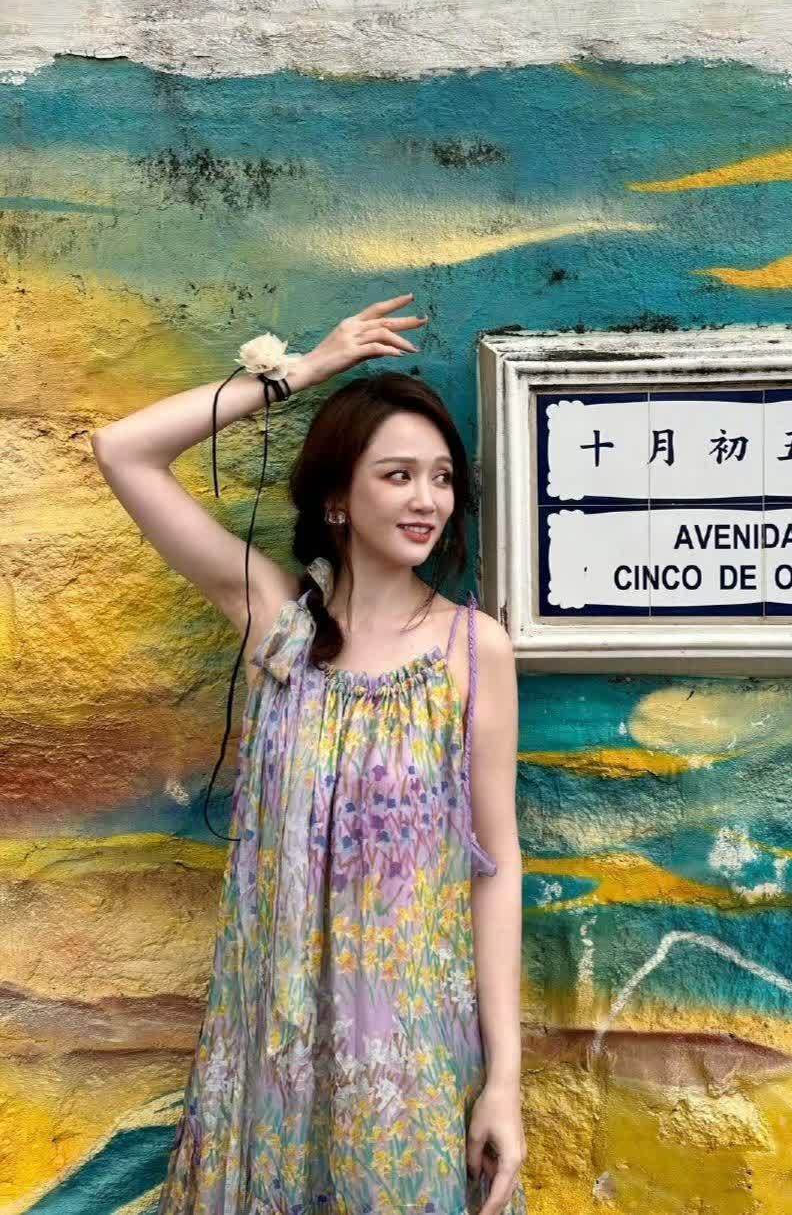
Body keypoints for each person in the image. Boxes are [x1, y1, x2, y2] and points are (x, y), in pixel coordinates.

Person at [91, 292, 528, 1215]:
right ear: (338, 497)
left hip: (407, 1063)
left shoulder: (472, 649)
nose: (427, 500)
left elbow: (496, 867)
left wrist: (503, 1081)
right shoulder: (277, 625)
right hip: (270, 1051)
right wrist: (302, 371)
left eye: (441, 478)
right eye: (397, 475)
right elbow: (123, 450)